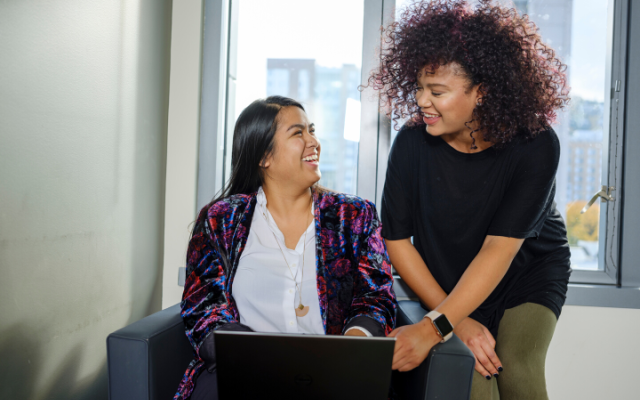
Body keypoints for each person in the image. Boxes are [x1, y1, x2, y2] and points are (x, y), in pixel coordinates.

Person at [368, 1, 572, 399]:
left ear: (482, 91)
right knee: (473, 380)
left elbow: (499, 249)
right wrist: (453, 320)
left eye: (437, 91)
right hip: (451, 277)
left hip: (526, 271)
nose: (422, 101)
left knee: (517, 368)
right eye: (419, 88)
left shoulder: (536, 144)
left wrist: (432, 328)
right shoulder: (411, 143)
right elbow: (396, 241)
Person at [172, 96, 397, 400]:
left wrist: (352, 347)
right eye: (298, 133)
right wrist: (259, 358)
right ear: (264, 156)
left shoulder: (354, 216)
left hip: (332, 378)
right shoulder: (221, 219)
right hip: (243, 374)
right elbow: (202, 308)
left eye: (312, 130)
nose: (313, 141)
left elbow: (375, 297)